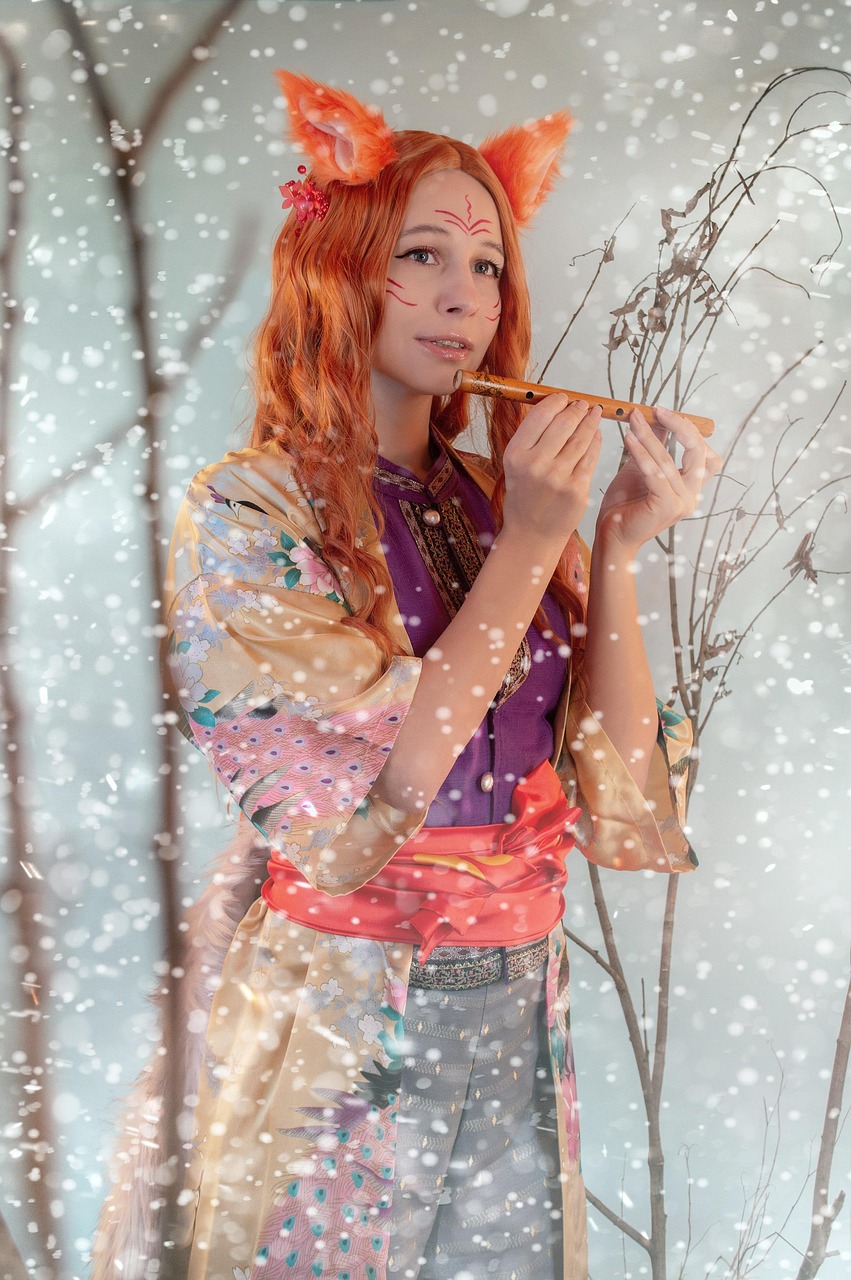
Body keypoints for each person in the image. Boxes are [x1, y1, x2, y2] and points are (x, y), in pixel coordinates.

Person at [92, 71, 720, 1280]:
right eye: (421, 254)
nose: (462, 295)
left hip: (519, 993)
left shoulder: (493, 497)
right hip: (334, 998)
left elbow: (617, 785)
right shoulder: (249, 507)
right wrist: (533, 540)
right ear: (335, 267)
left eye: (486, 265)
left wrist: (613, 542)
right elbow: (382, 774)